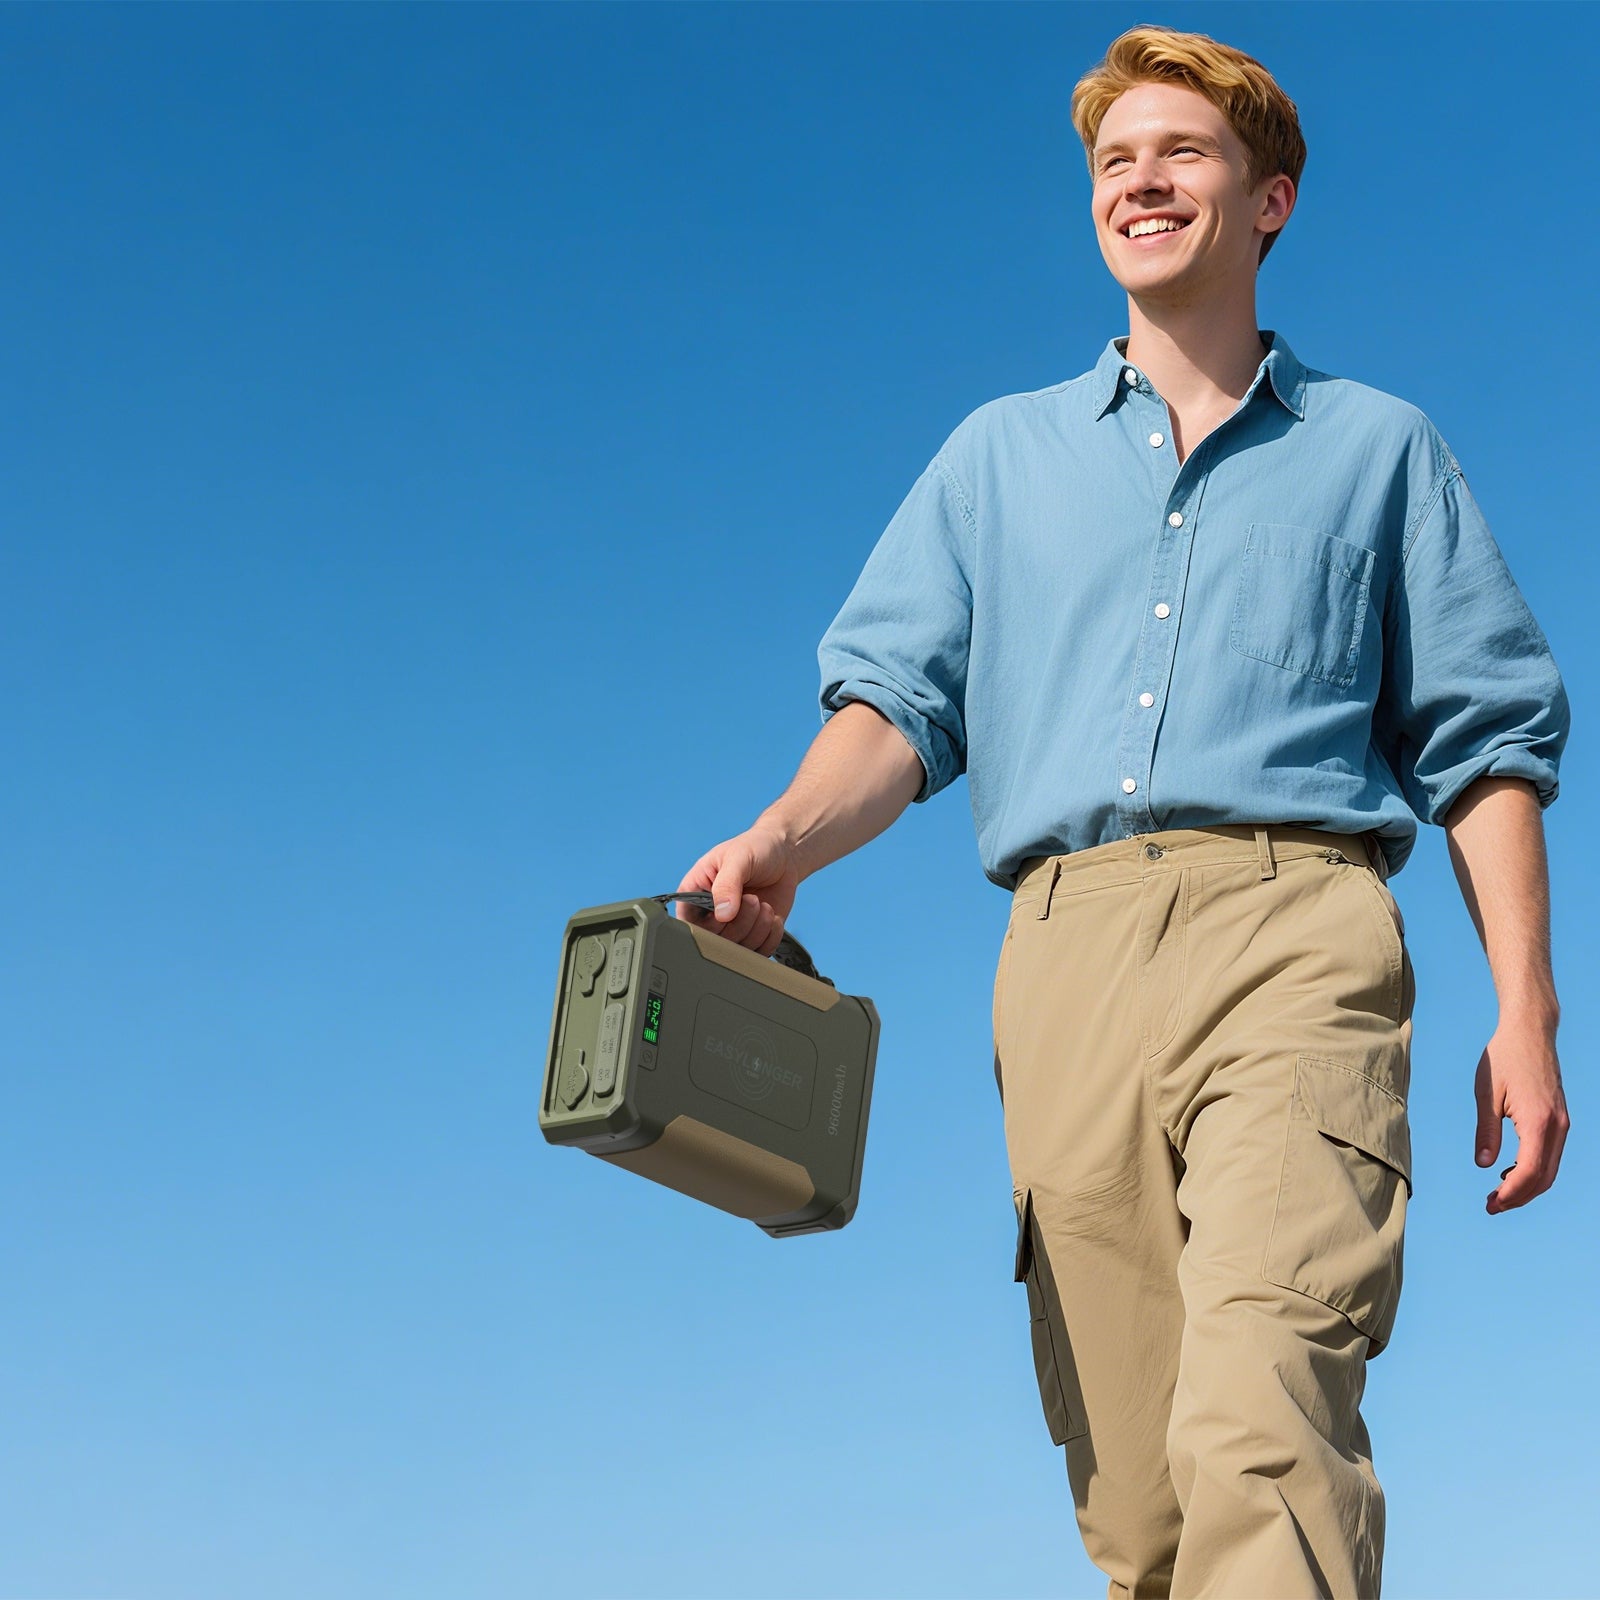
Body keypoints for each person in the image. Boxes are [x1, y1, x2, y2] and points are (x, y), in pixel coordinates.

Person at [673, 23, 1570, 1599]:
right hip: (1065, 955)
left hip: (1298, 931)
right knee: (1142, 1504)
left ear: (1270, 199)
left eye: (1182, 154)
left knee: (1266, 1421)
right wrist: (781, 841)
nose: (1141, 182)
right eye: (1115, 162)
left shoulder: (1380, 451)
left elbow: (1485, 742)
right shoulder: (994, 461)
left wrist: (1529, 1008)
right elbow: (897, 709)